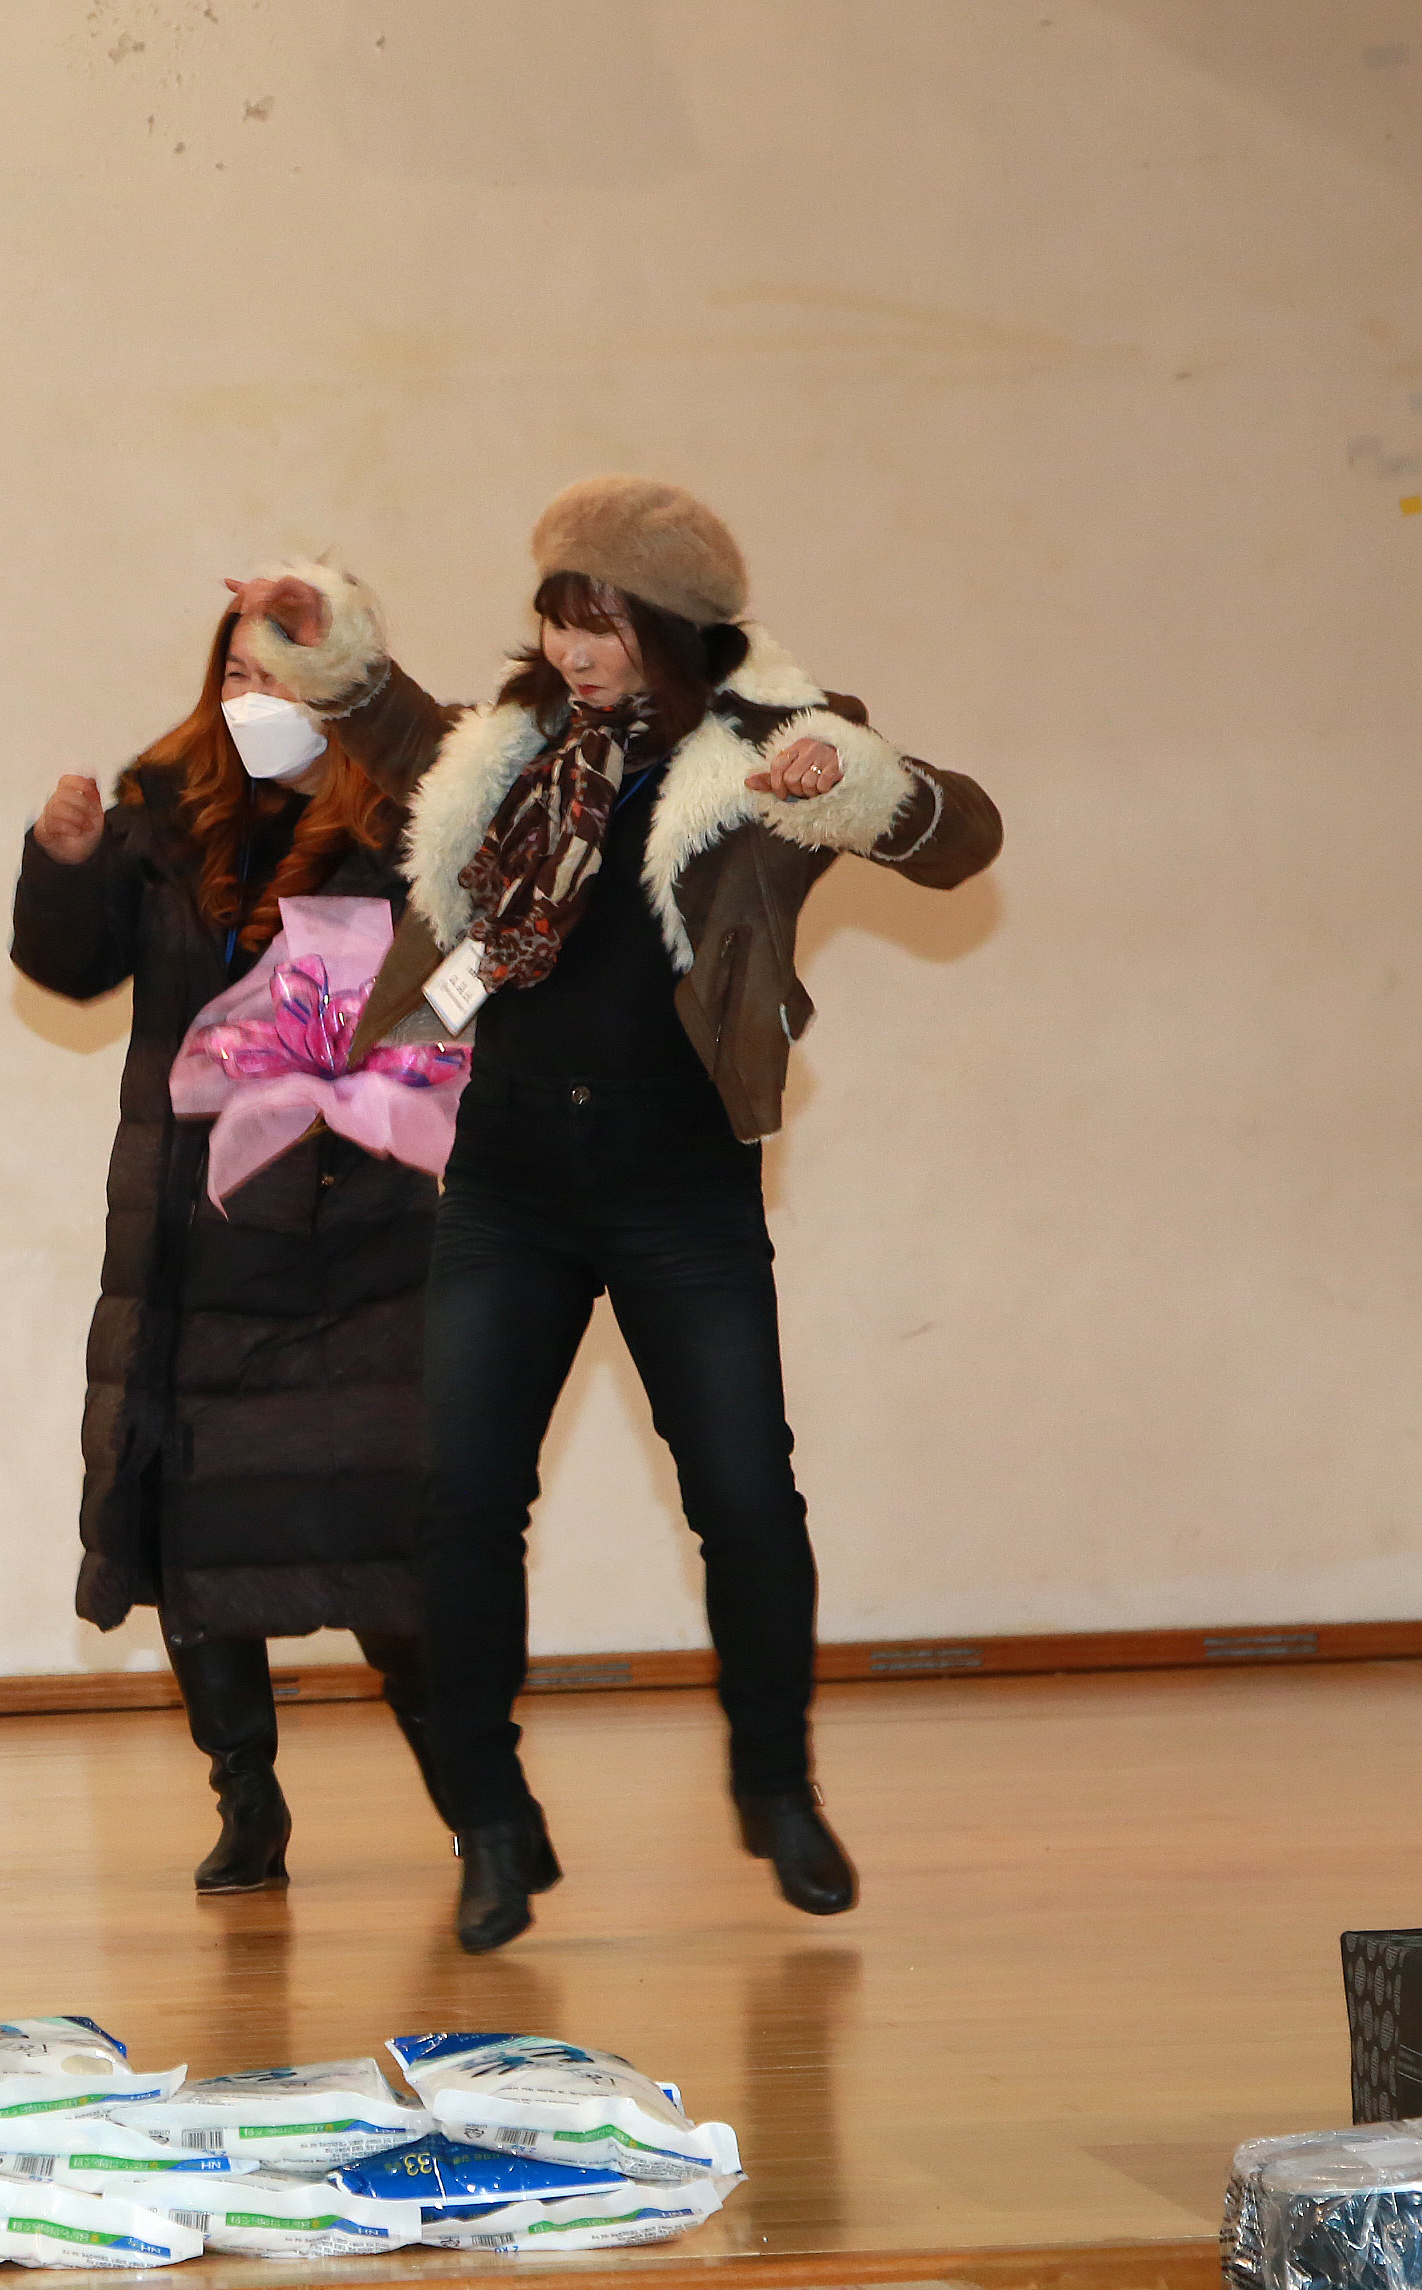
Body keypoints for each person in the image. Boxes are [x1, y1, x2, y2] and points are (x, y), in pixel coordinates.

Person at [225, 479, 1001, 1952]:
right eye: (559, 619)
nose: (573, 650)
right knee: (463, 1501)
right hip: (512, 1178)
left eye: (605, 623)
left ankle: (776, 1786)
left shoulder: (772, 748)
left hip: (678, 1183)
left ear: (675, 626)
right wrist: (323, 643)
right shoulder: (514, 750)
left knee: (746, 1495)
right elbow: (388, 722)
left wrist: (856, 779)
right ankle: (491, 1821)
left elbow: (960, 836)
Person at [11, 594, 453, 1894]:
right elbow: (73, 967)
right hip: (190, 1235)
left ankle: (475, 1798)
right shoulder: (163, 807)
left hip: (356, 1237)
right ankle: (246, 1801)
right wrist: (63, 861)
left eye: (286, 676)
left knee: (382, 1537)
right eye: (239, 674)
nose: (254, 700)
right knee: (197, 1538)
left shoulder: (412, 819)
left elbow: (446, 989)